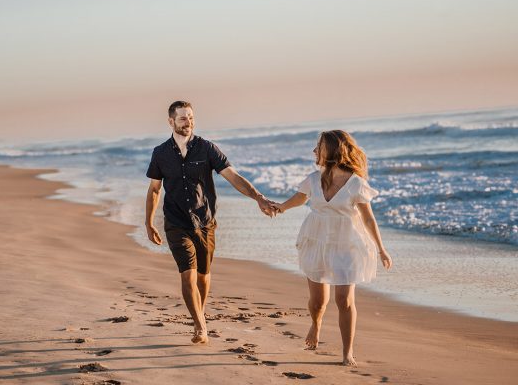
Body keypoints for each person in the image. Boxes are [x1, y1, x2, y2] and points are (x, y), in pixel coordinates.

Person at [145, 100, 277, 344]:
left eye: (191, 118)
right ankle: (199, 325)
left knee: (204, 276)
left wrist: (258, 197)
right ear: (171, 122)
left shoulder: (207, 149)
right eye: (183, 118)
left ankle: (199, 315)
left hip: (204, 221)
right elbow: (154, 189)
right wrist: (149, 222)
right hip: (175, 222)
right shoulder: (160, 153)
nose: (188, 122)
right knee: (188, 275)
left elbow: (233, 176)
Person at [272, 130, 393, 366]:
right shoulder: (313, 179)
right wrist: (281, 207)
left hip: (346, 244)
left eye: (319, 146)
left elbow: (368, 219)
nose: (314, 151)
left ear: (332, 150)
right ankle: (316, 325)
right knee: (318, 301)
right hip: (316, 240)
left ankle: (347, 352)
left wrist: (381, 249)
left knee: (344, 300)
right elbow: (300, 198)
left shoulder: (356, 183)